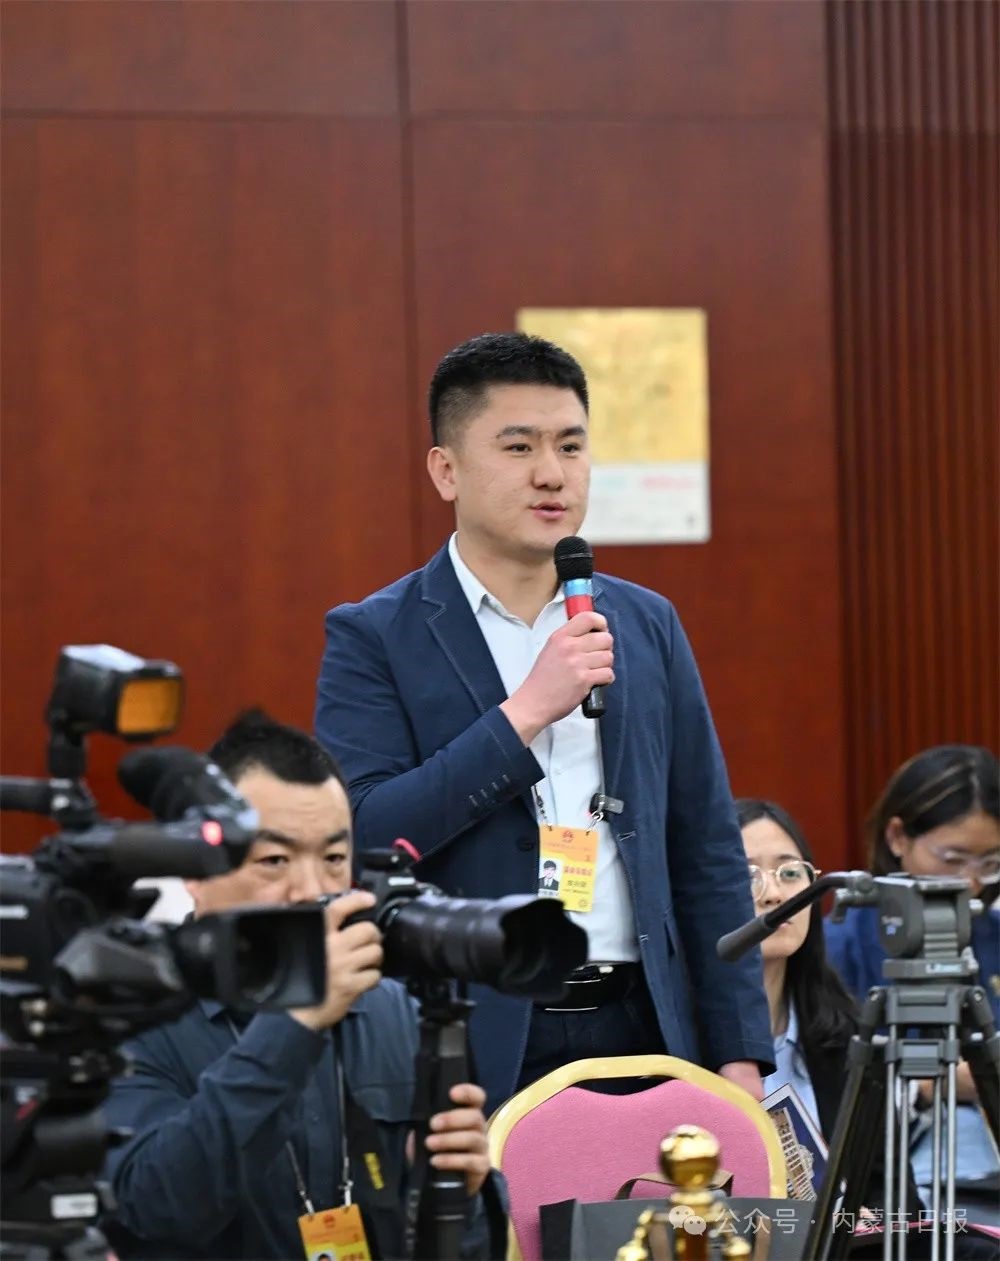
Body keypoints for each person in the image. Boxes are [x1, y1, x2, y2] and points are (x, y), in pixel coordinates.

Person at [315, 330, 773, 1113]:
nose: (552, 473)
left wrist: (738, 1050)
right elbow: (366, 834)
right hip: (472, 1031)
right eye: (519, 446)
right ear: (446, 470)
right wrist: (524, 712)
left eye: (571, 444)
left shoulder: (647, 623)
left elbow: (705, 845)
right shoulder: (376, 634)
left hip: (643, 1021)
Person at [103, 710, 499, 1260]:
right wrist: (295, 1023)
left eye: (334, 858)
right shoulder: (128, 1016)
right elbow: (156, 1210)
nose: (312, 890)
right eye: (274, 859)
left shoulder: (393, 1012)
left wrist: (460, 1194)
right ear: (194, 870)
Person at [736, 798, 1000, 1256]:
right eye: (746, 875)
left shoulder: (846, 1030)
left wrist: (866, 1220)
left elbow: (899, 1203)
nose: (774, 894)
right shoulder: (676, 1039)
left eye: (790, 872)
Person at [824, 745, 1000, 1221]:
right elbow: (826, 1091)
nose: (971, 882)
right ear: (898, 836)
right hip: (885, 1176)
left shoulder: (993, 931)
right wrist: (930, 1085)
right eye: (954, 858)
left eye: (989, 863)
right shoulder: (839, 945)